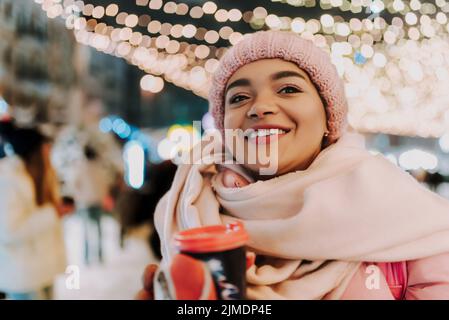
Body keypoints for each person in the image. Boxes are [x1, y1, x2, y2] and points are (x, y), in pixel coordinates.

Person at [139, 31, 449, 300]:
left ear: (329, 117)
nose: (260, 107)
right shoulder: (189, 209)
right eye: (239, 97)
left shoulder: (405, 216)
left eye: (288, 89)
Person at [0, 120, 66, 300]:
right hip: (22, 275)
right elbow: (9, 231)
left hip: (42, 270)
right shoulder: (8, 180)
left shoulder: (38, 176)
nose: (49, 150)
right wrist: (52, 214)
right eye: (45, 146)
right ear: (35, 151)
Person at [72, 144, 111, 265]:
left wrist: (79, 197)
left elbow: (74, 184)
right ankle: (99, 255)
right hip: (96, 201)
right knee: (98, 230)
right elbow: (105, 184)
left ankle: (87, 257)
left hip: (85, 203)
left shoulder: (80, 167)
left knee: (86, 231)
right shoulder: (99, 168)